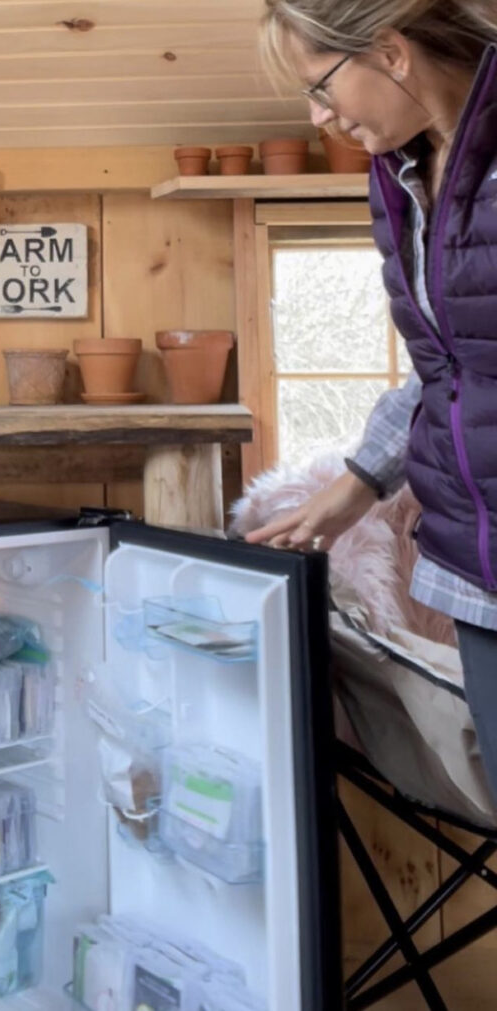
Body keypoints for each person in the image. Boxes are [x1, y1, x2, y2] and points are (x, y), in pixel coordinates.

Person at [248, 0, 497, 790]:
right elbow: (449, 367)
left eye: (320, 87)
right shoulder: (404, 177)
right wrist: (356, 484)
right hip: (472, 570)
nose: (319, 116)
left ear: (391, 53)